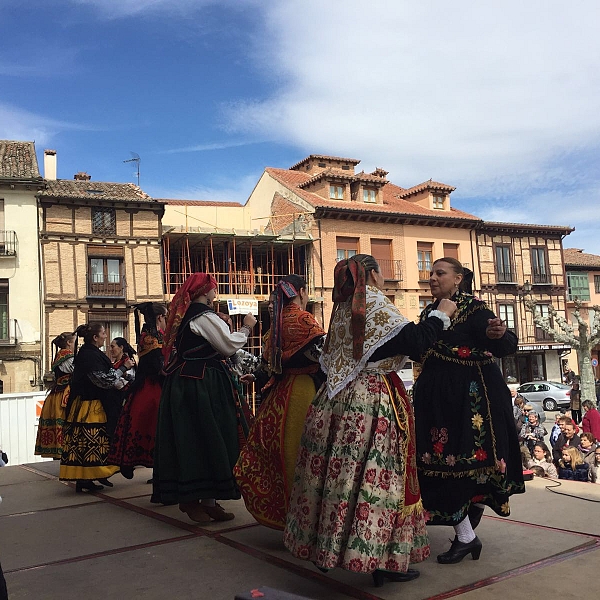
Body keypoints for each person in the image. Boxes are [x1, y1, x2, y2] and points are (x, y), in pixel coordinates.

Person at [284, 254, 457, 587]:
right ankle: (383, 561)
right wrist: (441, 314)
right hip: (371, 401)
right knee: (379, 482)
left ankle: (327, 548)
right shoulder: (376, 306)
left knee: (336, 478)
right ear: (375, 276)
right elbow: (418, 343)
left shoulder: (343, 308)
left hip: (335, 401)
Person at [412, 257, 524, 565]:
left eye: (440, 273)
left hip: (469, 404)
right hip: (438, 402)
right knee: (439, 464)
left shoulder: (475, 311)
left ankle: (466, 536)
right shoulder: (430, 311)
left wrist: (499, 334)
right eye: (431, 273)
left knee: (456, 465)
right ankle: (467, 526)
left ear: (458, 278)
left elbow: (505, 345)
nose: (432, 277)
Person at [151, 273, 257, 523]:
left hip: (191, 381)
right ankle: (191, 499)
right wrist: (247, 326)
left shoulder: (190, 315)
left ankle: (209, 500)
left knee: (206, 437)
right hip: (201, 384)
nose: (215, 293)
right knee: (204, 436)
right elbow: (229, 345)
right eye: (213, 289)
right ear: (204, 291)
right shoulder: (203, 316)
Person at [234, 275, 326, 530]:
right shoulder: (303, 319)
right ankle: (306, 520)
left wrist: (257, 375)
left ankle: (284, 515)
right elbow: (323, 358)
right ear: (303, 292)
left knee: (279, 454)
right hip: (304, 391)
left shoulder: (275, 324)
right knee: (304, 456)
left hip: (279, 395)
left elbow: (270, 365)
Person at [59, 323, 134, 492]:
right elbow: (104, 380)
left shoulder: (88, 353)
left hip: (85, 404)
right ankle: (91, 476)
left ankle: (85, 479)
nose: (105, 336)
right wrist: (124, 368)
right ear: (95, 337)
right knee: (93, 442)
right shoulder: (89, 355)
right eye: (102, 333)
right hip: (90, 406)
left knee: (83, 444)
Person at [108, 303, 167, 480]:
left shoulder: (146, 336)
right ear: (159, 318)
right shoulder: (154, 339)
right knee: (158, 430)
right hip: (155, 388)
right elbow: (160, 367)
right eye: (165, 317)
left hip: (143, 388)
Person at [34, 332, 75, 459]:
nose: (76, 345)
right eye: (74, 342)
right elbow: (76, 372)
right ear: (69, 343)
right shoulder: (68, 357)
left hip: (56, 394)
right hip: (65, 393)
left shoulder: (59, 355)